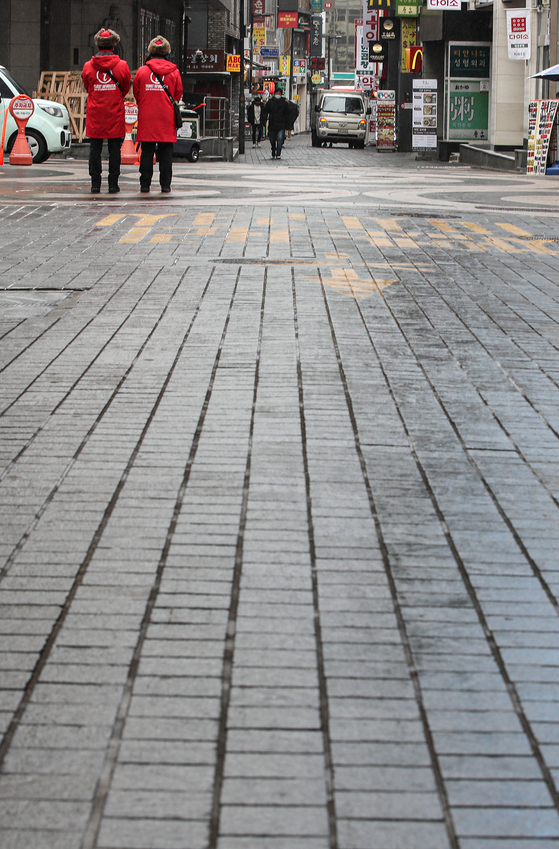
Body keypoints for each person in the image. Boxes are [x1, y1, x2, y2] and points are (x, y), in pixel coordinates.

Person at [82, 28, 130, 194]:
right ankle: (113, 183)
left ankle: (95, 183)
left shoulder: (88, 66)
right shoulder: (122, 66)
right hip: (114, 112)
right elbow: (125, 88)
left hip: (96, 112)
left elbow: (87, 86)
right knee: (114, 149)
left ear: (98, 45)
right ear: (114, 44)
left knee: (95, 148)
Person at [133, 36, 183, 193]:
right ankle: (165, 184)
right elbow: (177, 95)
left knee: (147, 151)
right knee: (166, 152)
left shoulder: (142, 71)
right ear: (167, 53)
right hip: (166, 117)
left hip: (147, 117)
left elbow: (137, 93)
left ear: (151, 52)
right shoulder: (174, 72)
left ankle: (145, 184)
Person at [266, 89, 290, 160]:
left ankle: (278, 153)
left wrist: (287, 124)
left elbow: (288, 113)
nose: (278, 94)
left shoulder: (284, 103)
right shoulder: (270, 102)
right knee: (272, 139)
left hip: (281, 124)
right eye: (277, 93)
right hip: (272, 124)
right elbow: (266, 111)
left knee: (280, 138)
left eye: (279, 93)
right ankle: (273, 149)